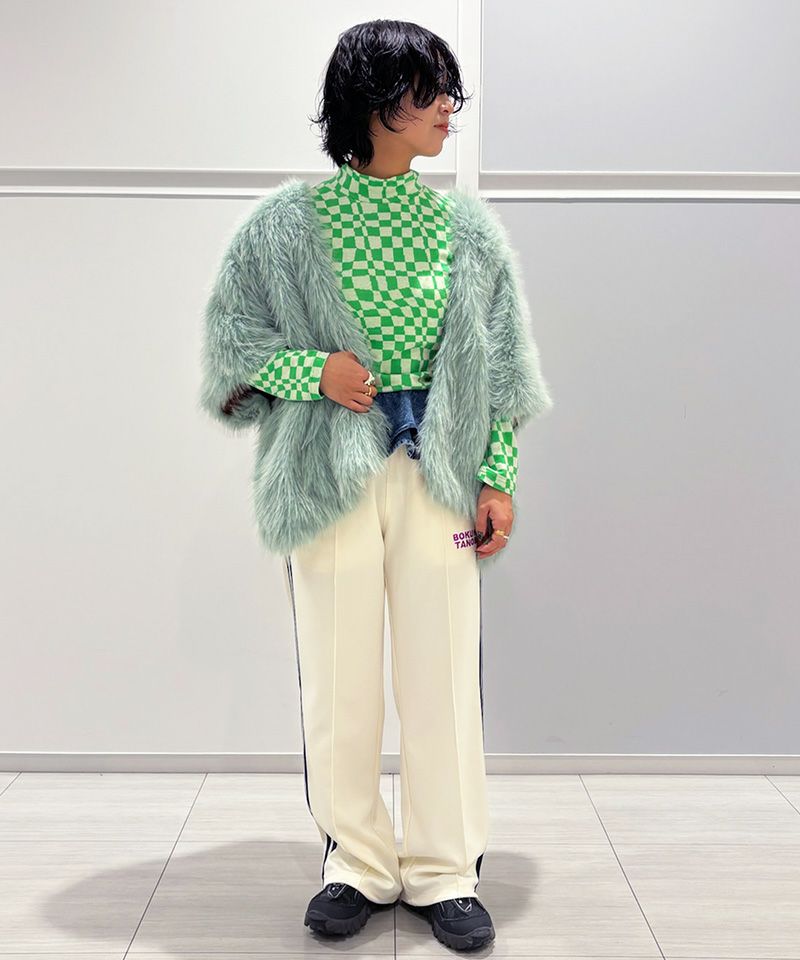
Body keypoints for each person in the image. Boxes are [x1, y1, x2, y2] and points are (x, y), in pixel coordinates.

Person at [199, 19, 554, 953]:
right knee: (339, 675)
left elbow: (503, 370)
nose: (448, 111)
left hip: (438, 474)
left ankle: (444, 869)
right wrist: (313, 372)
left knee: (443, 675)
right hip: (329, 475)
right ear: (373, 101)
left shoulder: (467, 230)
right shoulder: (283, 227)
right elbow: (233, 347)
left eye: (450, 94)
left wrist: (498, 478)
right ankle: (355, 862)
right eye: (429, 92)